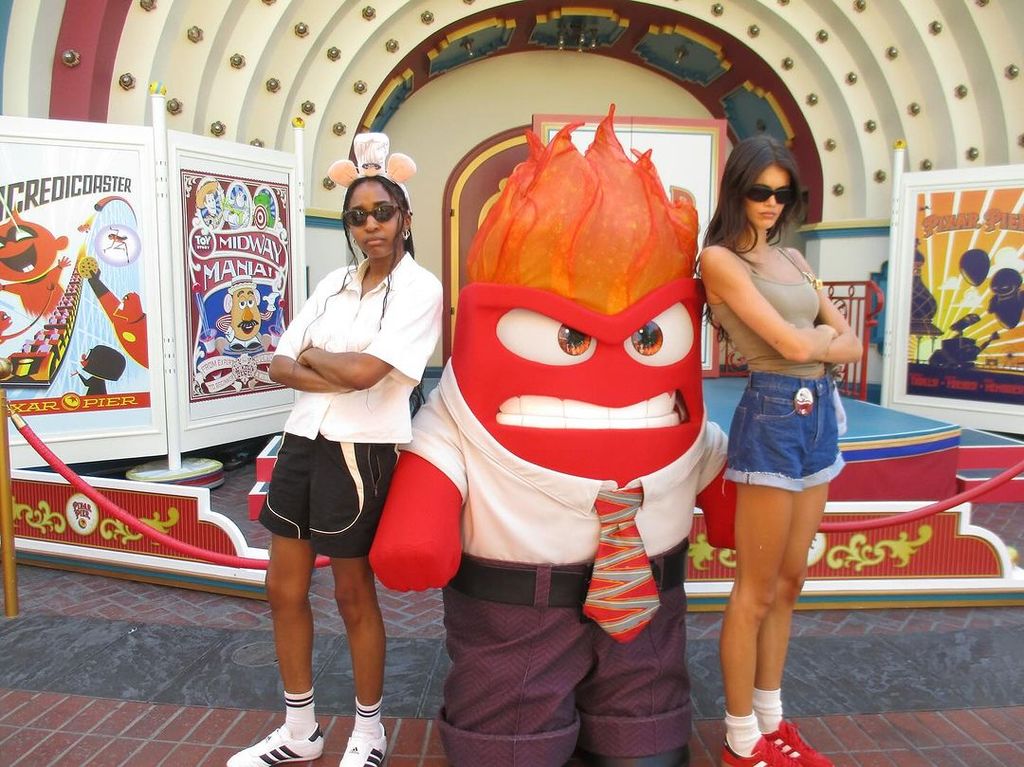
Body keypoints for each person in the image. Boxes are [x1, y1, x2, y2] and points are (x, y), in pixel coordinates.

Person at [228, 133, 443, 767]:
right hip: (302, 440)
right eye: (358, 216)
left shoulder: (419, 289)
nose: (371, 225)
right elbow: (278, 364)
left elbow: (364, 375)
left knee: (353, 594)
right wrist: (335, 364)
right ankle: (301, 732)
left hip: (361, 453)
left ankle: (369, 731)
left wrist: (320, 360)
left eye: (383, 213)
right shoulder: (331, 285)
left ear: (405, 218)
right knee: (283, 589)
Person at [698, 135, 861, 767]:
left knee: (791, 580)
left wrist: (815, 338)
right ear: (737, 189)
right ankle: (742, 737)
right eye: (760, 191)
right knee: (755, 589)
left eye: (783, 193)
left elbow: (847, 340)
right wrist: (817, 339)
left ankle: (772, 718)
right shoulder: (720, 261)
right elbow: (791, 349)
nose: (771, 203)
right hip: (771, 412)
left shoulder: (794, 258)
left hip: (819, 414)